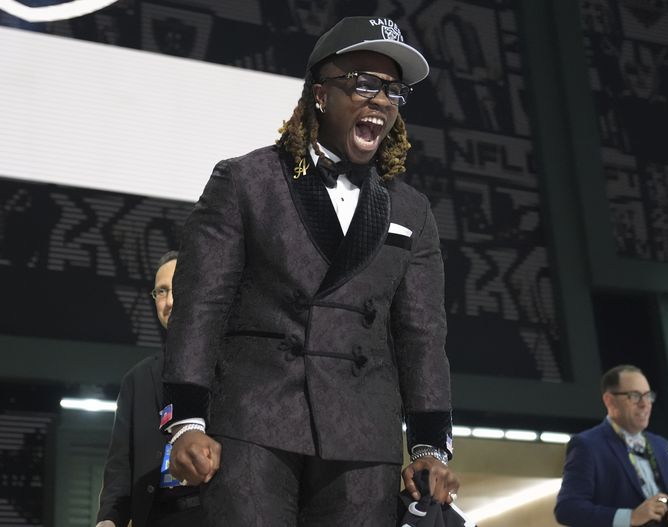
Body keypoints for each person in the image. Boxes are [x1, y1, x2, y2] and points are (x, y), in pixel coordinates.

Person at [160, 16, 459, 526]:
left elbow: (422, 335)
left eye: (393, 90)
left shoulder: (411, 210)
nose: (381, 100)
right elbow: (201, 306)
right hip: (256, 422)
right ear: (321, 95)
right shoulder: (246, 181)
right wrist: (185, 421)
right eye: (365, 83)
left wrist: (431, 446)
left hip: (364, 435)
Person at [96, 251, 204, 527]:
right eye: (161, 291)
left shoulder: (231, 367)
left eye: (177, 288)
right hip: (157, 517)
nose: (169, 301)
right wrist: (109, 519)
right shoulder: (137, 380)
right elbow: (120, 467)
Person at [555, 365, 668, 527]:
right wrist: (630, 517)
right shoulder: (588, 445)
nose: (645, 404)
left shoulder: (660, 445)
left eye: (648, 395)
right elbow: (567, 509)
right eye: (635, 396)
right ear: (609, 401)